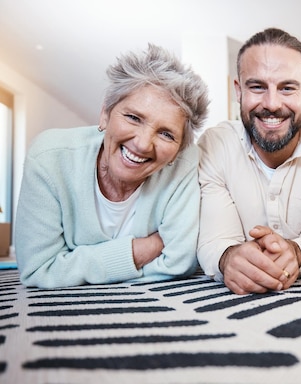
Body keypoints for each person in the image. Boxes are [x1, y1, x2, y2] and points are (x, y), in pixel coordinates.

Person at [15, 44, 210, 288]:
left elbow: (180, 261)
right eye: (133, 118)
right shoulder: (48, 158)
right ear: (105, 114)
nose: (142, 144)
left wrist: (73, 265)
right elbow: (37, 270)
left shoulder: (185, 161)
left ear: (178, 151)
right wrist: (144, 249)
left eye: (166, 134)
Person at [196, 28, 301, 295]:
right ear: (238, 91)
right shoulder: (215, 145)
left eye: (287, 88)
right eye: (257, 87)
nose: (272, 104)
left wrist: (298, 253)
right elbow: (215, 240)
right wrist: (229, 257)